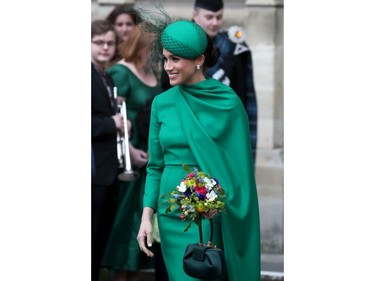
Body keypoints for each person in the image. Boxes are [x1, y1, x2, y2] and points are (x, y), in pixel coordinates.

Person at [136, 18, 261, 281]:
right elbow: (155, 166)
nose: (167, 67)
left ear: (199, 60)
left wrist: (220, 201)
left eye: (175, 59)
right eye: (165, 59)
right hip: (170, 217)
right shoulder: (161, 103)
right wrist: (147, 216)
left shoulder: (227, 102)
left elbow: (238, 169)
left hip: (209, 215)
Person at [101, 23, 163, 281]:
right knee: (126, 218)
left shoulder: (154, 73)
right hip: (128, 154)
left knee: (143, 216)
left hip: (150, 153)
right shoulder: (121, 72)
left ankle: (135, 272)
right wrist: (130, 149)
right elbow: (113, 115)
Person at [192, 0, 258, 164]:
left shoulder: (235, 47)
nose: (215, 23)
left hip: (227, 132)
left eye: (218, 17)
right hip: (192, 130)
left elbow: (247, 98)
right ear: (195, 15)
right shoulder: (181, 45)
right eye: (209, 17)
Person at [91, 19, 123, 281]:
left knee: (98, 246)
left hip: (107, 173)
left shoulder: (106, 76)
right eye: (99, 42)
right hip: (93, 175)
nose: (105, 48)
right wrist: (111, 122)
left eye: (110, 43)